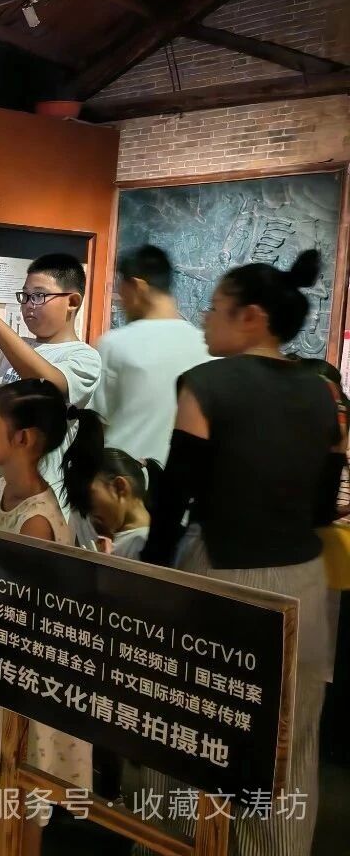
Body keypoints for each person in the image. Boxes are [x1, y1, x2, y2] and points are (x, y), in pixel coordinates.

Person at [140, 250, 341, 856]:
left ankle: (180, 843)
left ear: (251, 316)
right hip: (304, 581)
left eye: (216, 308)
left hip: (221, 575)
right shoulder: (322, 393)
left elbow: (172, 501)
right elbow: (322, 506)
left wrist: (150, 570)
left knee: (193, 724)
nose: (206, 319)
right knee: (288, 735)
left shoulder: (206, 384)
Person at [0, 378, 103, 798]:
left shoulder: (37, 520)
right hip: (12, 659)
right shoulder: (6, 490)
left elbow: (25, 611)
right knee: (8, 773)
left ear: (23, 438)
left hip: (34, 673)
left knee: (27, 781)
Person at [0, 254, 101, 517]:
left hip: (36, 502)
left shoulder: (83, 357)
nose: (28, 305)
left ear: (72, 302)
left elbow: (47, 385)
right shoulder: (13, 347)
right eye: (24, 296)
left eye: (38, 296)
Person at [92, 245, 209, 465]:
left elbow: (98, 421)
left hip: (123, 476)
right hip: (183, 475)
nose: (121, 302)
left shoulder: (115, 344)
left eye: (122, 293)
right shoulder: (207, 348)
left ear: (138, 287)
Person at [81, 448, 161, 559]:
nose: (88, 510)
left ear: (119, 487)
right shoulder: (123, 541)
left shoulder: (142, 543)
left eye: (90, 497)